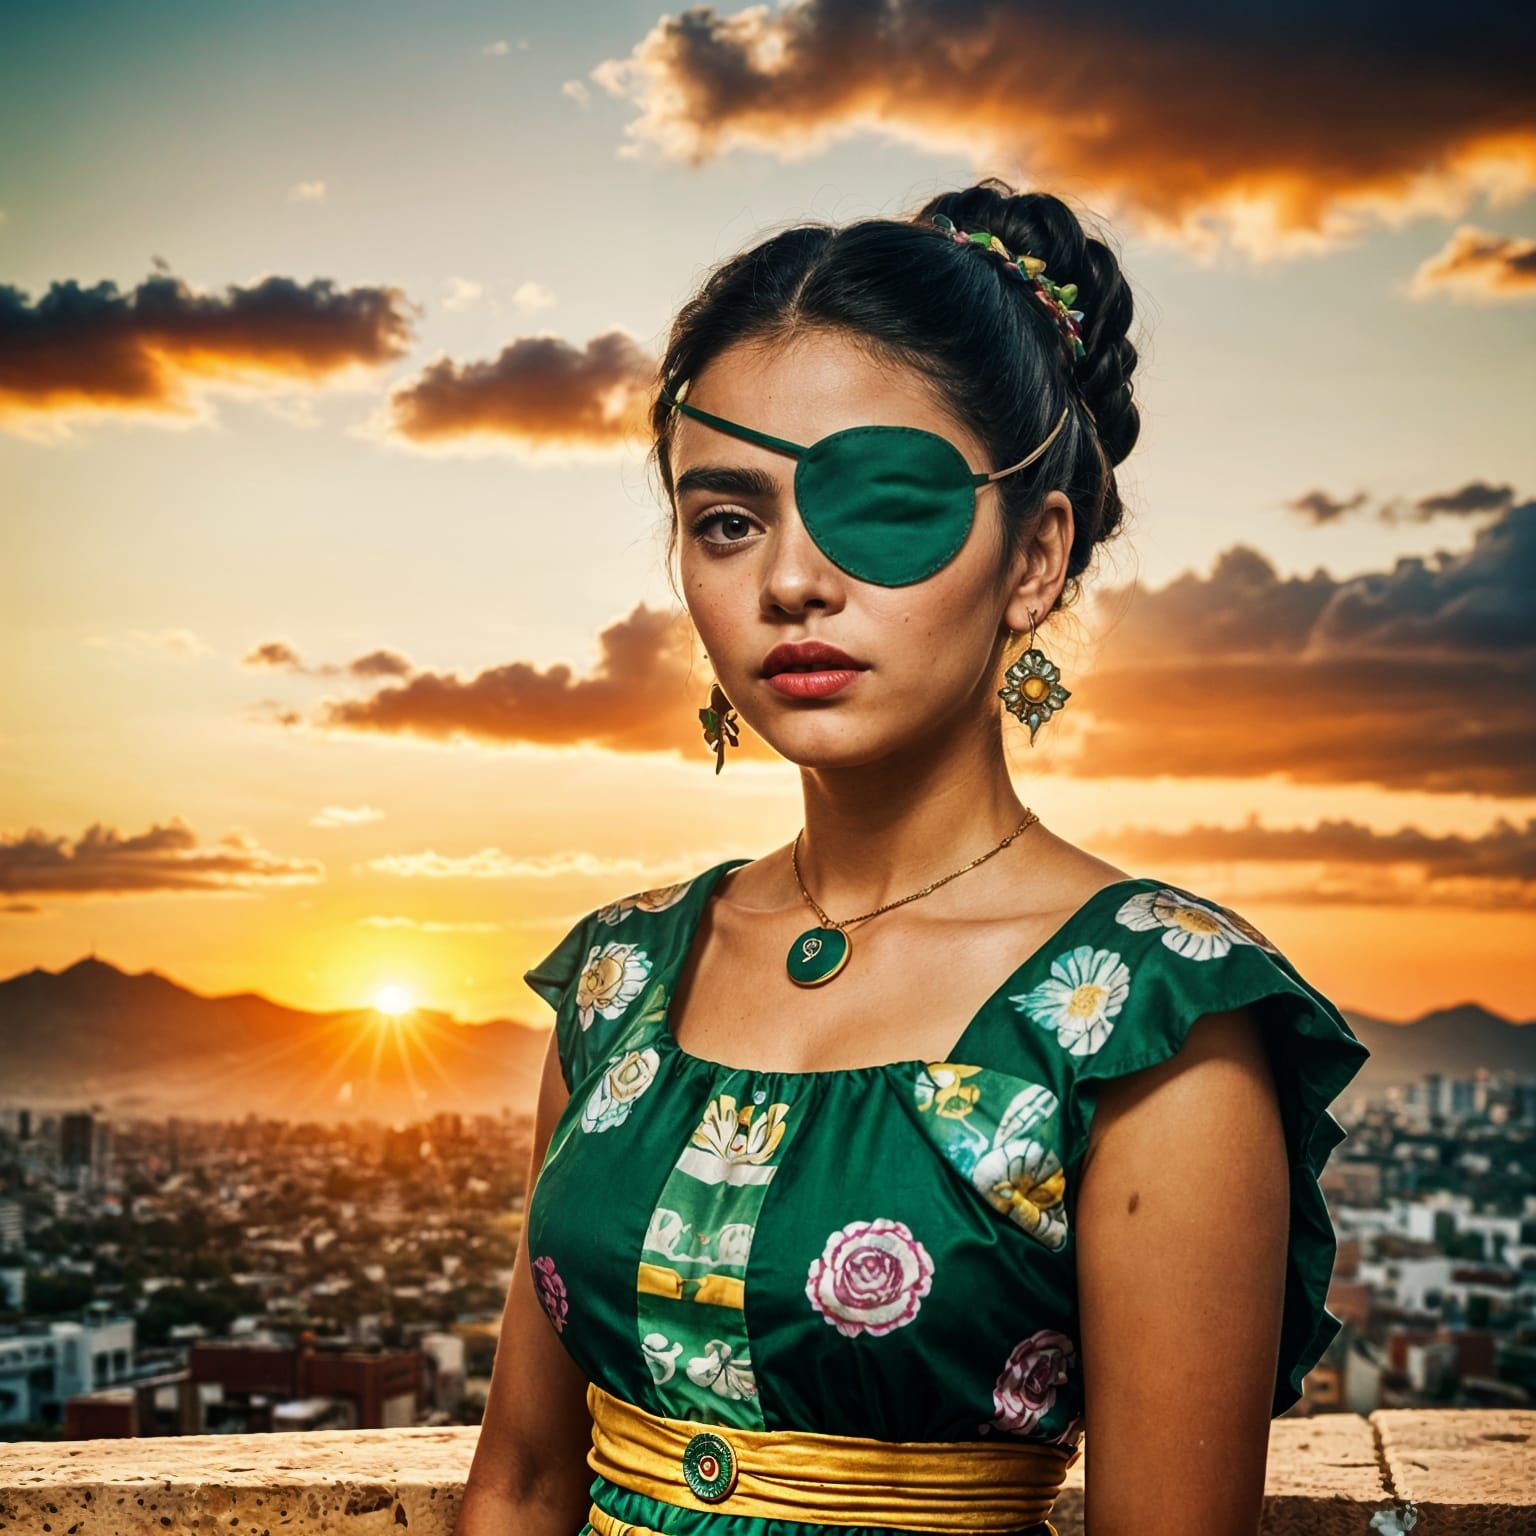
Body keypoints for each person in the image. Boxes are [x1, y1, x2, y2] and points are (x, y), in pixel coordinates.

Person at [454, 180, 1370, 1536]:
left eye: (881, 505)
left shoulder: (1149, 1020)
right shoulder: (619, 982)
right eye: (727, 520)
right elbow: (525, 1483)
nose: (791, 581)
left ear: (1033, 558)